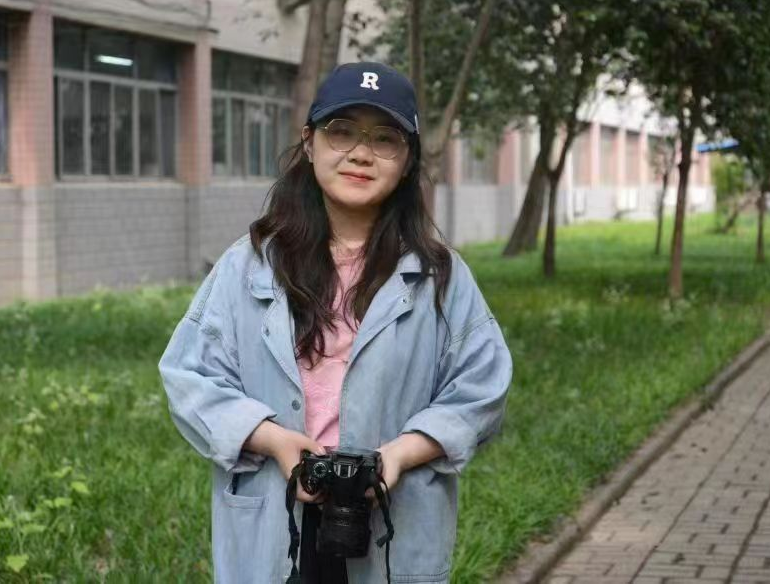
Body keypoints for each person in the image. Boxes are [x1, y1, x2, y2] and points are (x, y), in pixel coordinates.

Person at [159, 62, 512, 584]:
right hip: (272, 513)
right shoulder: (249, 266)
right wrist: (273, 440)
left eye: (385, 138)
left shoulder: (439, 276)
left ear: (408, 159)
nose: (361, 153)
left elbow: (482, 389)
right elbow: (189, 376)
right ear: (310, 143)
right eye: (341, 131)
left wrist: (399, 456)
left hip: (390, 522)